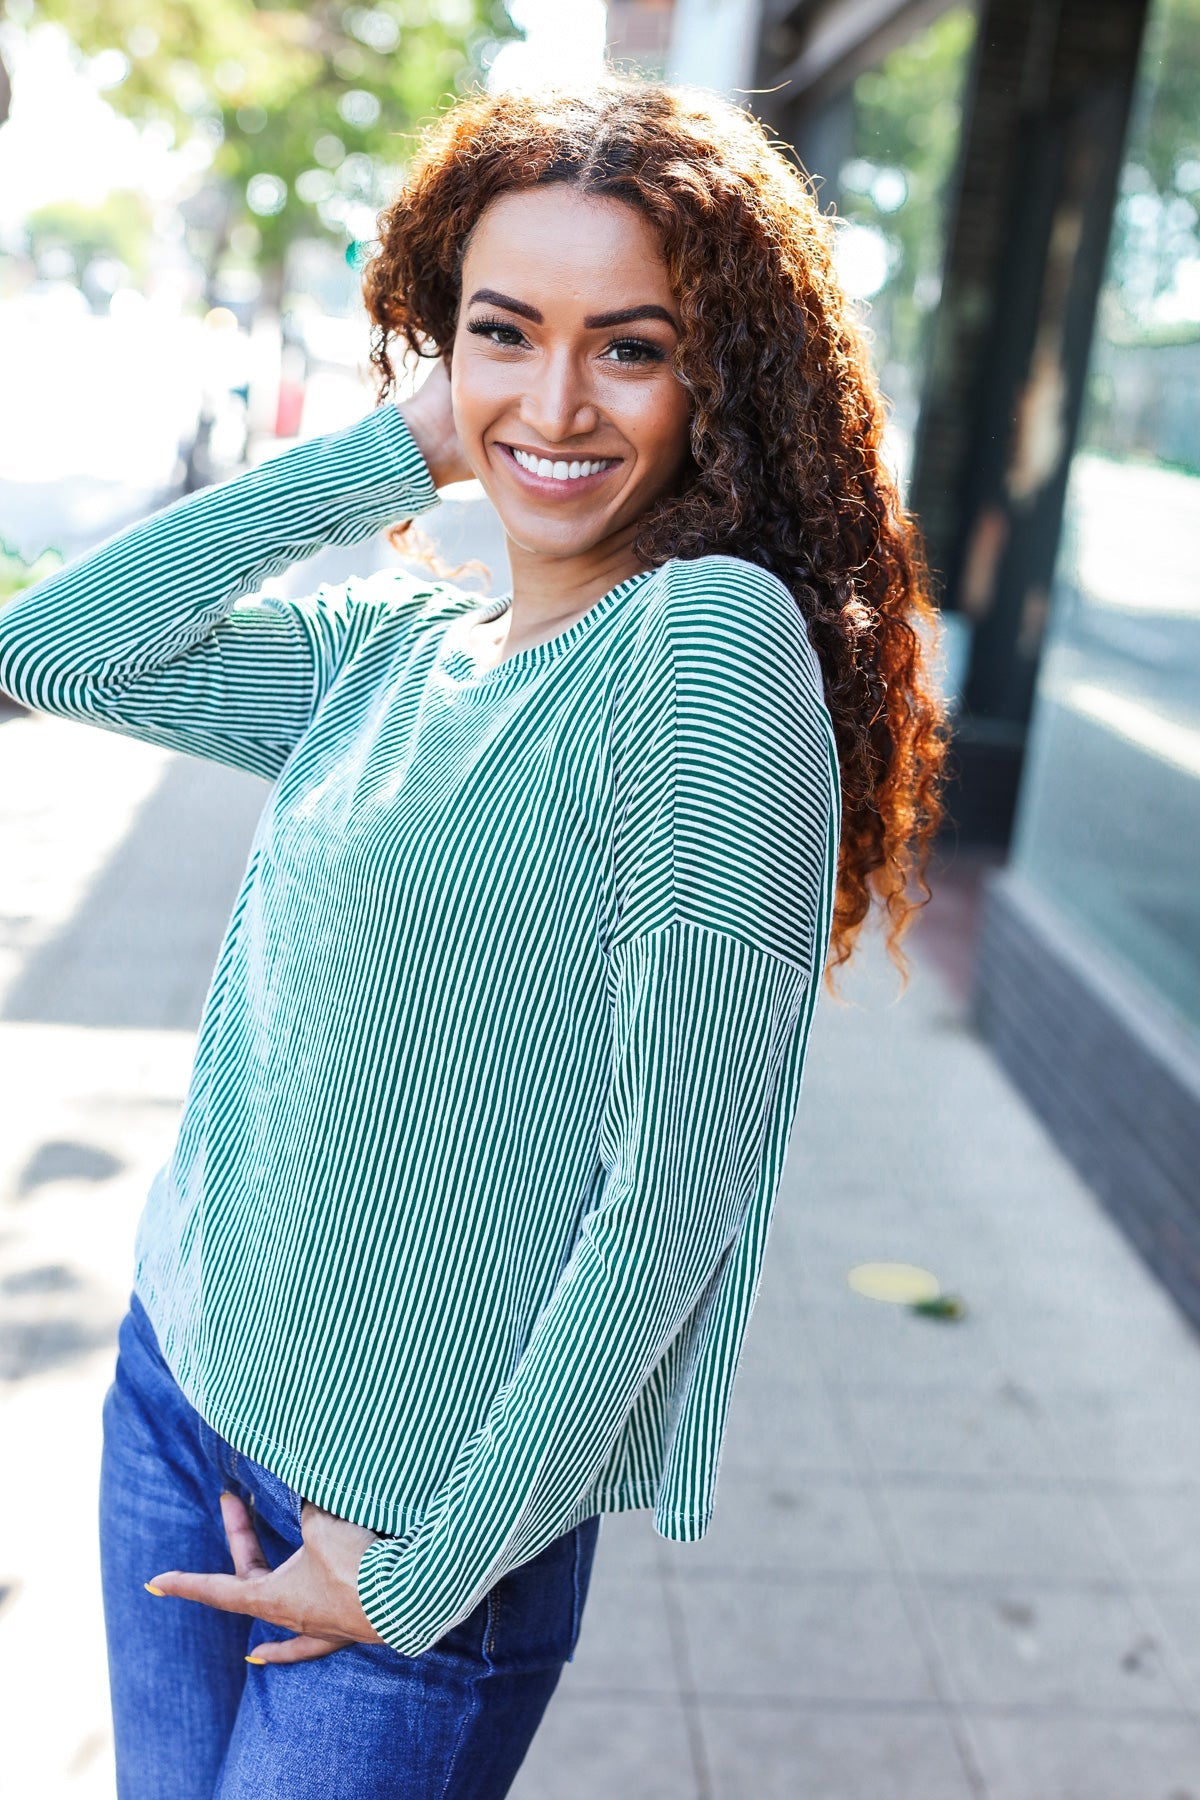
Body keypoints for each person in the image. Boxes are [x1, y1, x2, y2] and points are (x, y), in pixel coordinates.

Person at [0, 75, 947, 1800]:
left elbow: (677, 1195)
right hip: (178, 1395)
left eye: (631, 348)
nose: (558, 401)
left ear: (719, 380)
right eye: (504, 335)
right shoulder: (388, 656)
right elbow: (55, 648)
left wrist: (433, 1571)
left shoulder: (703, 654)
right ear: (441, 346)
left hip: (409, 1534)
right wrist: (398, 447)